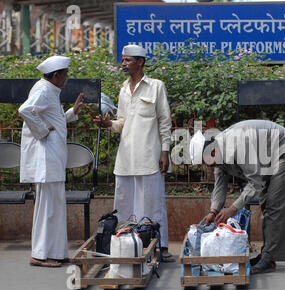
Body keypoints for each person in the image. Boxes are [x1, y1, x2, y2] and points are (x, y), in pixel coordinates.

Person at [94, 44, 174, 262]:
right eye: (123, 60)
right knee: (124, 205)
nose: (124, 64)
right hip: (126, 158)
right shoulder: (122, 89)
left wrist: (164, 151)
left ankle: (161, 248)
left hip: (149, 156)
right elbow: (122, 123)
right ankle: (125, 246)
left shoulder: (156, 86)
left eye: (128, 60)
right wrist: (108, 123)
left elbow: (164, 121)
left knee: (153, 204)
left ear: (140, 62)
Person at [193, 120, 285, 274]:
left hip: (284, 150)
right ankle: (267, 255)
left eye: (206, 162)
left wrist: (232, 209)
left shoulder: (237, 148)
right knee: (266, 202)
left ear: (212, 152)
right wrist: (213, 211)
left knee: (274, 204)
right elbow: (220, 186)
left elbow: (255, 183)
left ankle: (268, 259)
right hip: (268, 155)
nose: (207, 167)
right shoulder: (218, 156)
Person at [19, 55, 84, 267]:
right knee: (48, 208)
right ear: (56, 75)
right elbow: (25, 110)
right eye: (65, 74)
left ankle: (55, 251)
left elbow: (54, 119)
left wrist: (71, 113)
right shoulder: (43, 90)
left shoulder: (49, 90)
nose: (67, 78)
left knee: (53, 207)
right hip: (47, 160)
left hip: (53, 159)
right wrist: (43, 131)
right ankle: (39, 255)